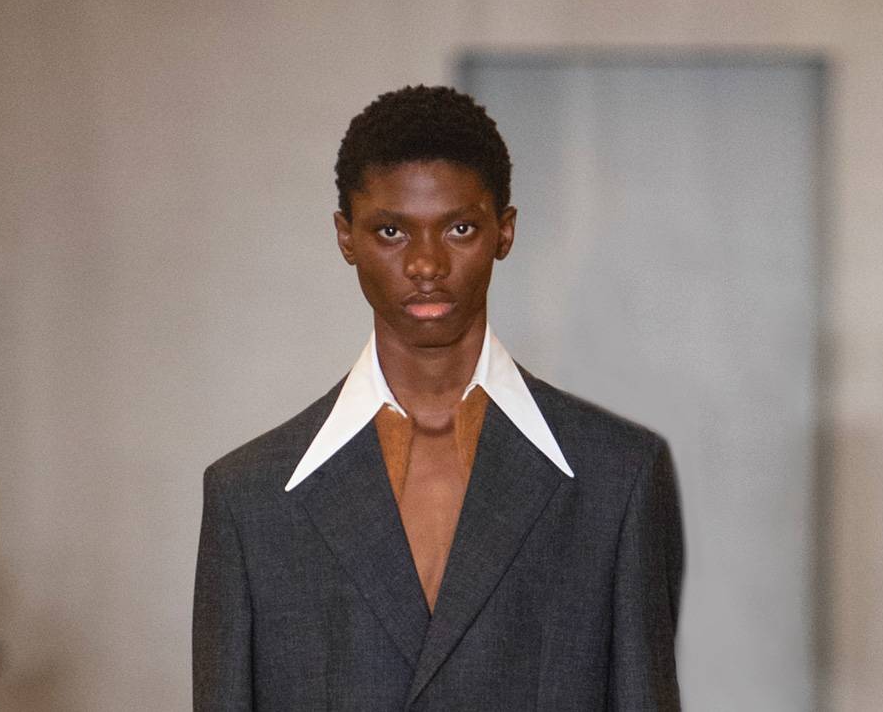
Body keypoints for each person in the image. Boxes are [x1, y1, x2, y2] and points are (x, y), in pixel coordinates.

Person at [193, 85, 683, 710]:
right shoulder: (249, 500)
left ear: (504, 232)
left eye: (459, 228)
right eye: (391, 230)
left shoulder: (616, 479)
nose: (426, 264)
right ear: (346, 237)